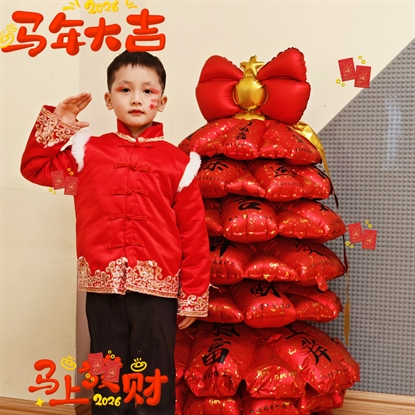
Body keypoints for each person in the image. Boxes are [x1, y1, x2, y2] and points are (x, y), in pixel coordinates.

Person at [20, 51, 210, 415]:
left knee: (154, 372)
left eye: (147, 91)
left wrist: (193, 294)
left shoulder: (179, 163)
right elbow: (36, 170)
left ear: (162, 102)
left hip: (158, 291)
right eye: (125, 90)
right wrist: (61, 122)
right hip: (102, 287)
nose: (136, 99)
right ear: (109, 100)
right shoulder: (86, 157)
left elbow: (193, 232)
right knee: (106, 370)